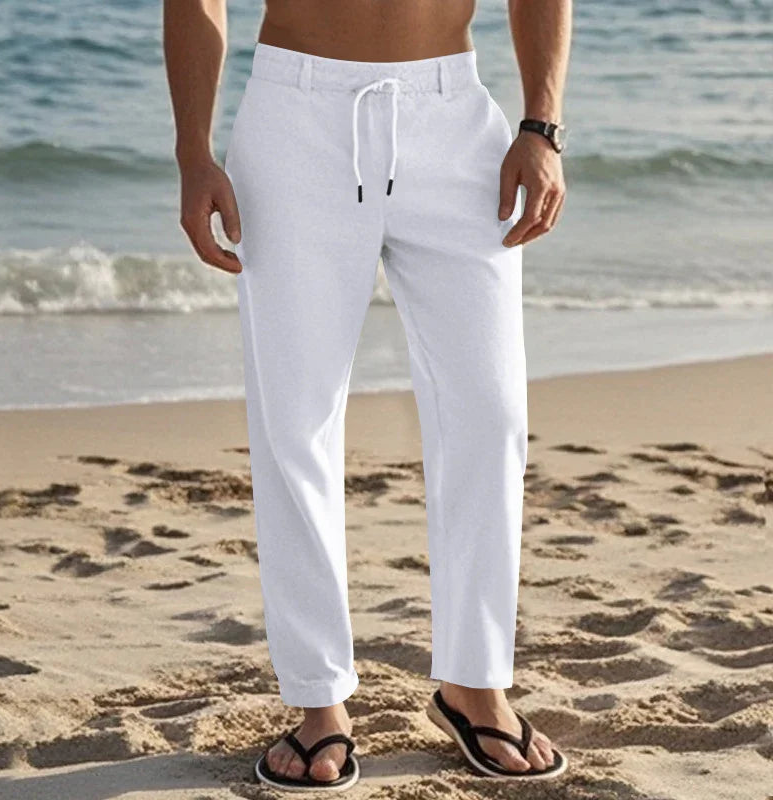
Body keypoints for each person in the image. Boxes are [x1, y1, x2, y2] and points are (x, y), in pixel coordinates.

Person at [164, 0, 570, 791]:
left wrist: (542, 126)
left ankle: (474, 682)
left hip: (455, 117)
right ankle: (319, 704)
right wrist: (192, 153)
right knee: (296, 422)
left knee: (490, 415)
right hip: (295, 119)